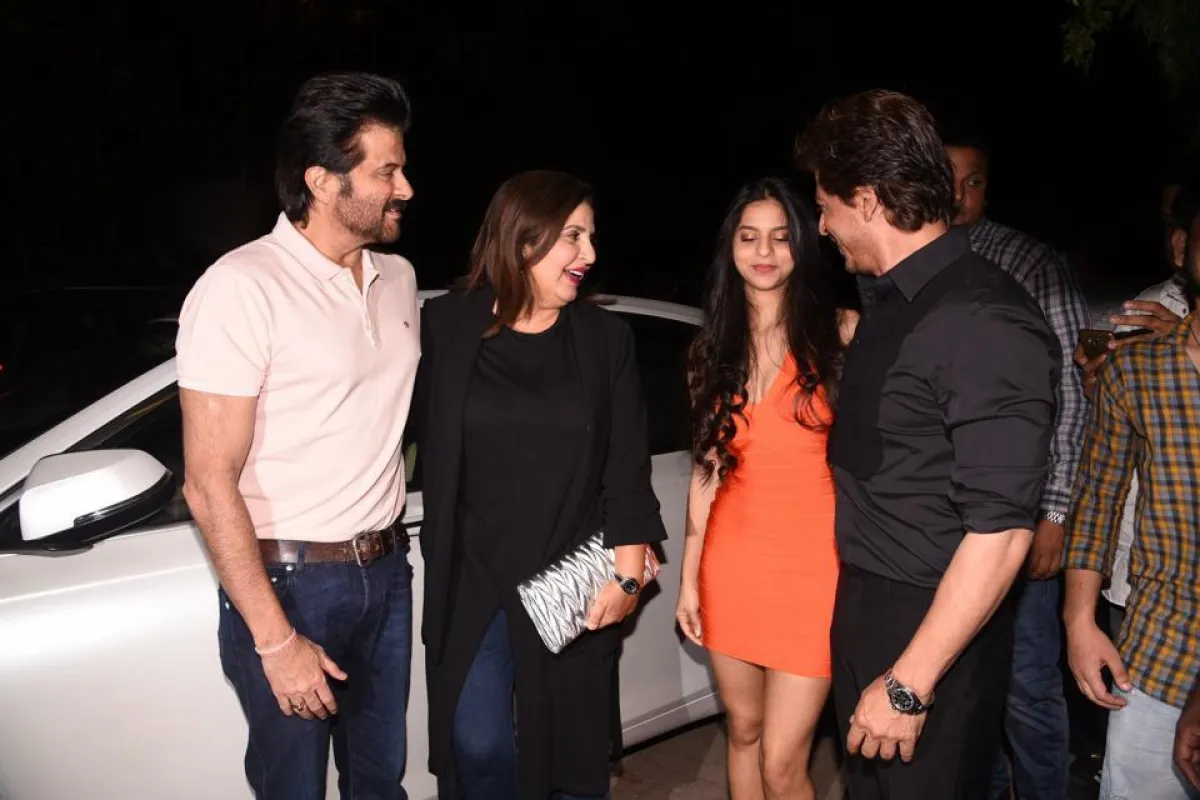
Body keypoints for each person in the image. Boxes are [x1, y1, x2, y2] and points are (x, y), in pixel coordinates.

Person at [795, 89, 1059, 799]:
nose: (822, 227)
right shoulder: (895, 302)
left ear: (867, 200)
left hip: (932, 631)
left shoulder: (984, 319)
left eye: (825, 206)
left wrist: (909, 683)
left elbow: (1002, 531)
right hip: (871, 605)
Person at [176, 71, 419, 799]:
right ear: (322, 180)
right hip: (291, 583)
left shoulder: (399, 278)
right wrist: (277, 640)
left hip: (388, 570)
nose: (405, 188)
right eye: (386, 172)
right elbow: (207, 482)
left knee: (381, 783)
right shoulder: (242, 286)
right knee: (294, 790)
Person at [411, 170, 667, 800]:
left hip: (568, 578)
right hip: (473, 578)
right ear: (523, 238)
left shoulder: (605, 340)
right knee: (478, 743)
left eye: (592, 236)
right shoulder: (446, 325)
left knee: (571, 753)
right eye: (573, 236)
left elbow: (626, 465)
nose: (590, 253)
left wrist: (628, 576)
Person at [675, 177, 854, 799]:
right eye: (749, 238)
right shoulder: (709, 350)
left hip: (816, 568)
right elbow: (707, 469)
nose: (765, 252)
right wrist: (689, 578)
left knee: (782, 761)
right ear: (731, 248)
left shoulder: (842, 334)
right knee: (744, 730)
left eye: (780, 238)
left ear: (802, 245)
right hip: (732, 563)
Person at [944, 131, 1090, 799]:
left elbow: (1072, 393)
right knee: (965, 685)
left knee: (1027, 685)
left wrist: (1055, 511)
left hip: (1020, 514)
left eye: (972, 181)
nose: (958, 194)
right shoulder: (905, 260)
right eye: (946, 178)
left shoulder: (1030, 263)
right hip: (943, 515)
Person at [1063, 183, 1200, 800]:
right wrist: (1078, 620)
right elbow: (1098, 498)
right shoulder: (1138, 369)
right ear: (1182, 247)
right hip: (1160, 654)